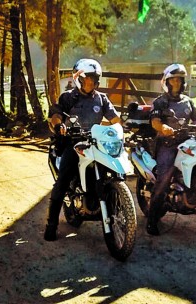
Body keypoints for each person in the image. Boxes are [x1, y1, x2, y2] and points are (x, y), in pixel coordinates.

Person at [44, 58, 121, 241]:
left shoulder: (102, 99)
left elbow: (116, 120)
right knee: (63, 181)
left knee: (114, 171)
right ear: (79, 78)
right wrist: (59, 126)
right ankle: (51, 224)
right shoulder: (68, 97)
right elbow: (55, 115)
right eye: (87, 78)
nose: (91, 82)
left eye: (94, 79)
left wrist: (118, 130)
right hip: (73, 144)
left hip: (96, 144)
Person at [147, 63, 196, 236]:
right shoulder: (160, 101)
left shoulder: (189, 102)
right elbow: (155, 121)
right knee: (164, 179)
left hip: (187, 143)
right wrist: (163, 128)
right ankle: (151, 220)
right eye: (173, 80)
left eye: (179, 80)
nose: (177, 83)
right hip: (168, 145)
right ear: (167, 82)